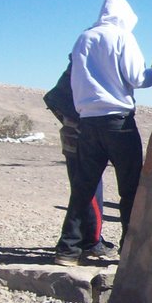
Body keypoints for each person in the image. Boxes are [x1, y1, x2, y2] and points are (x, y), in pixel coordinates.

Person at [54, 0, 152, 266]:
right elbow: (137, 77)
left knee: (83, 187)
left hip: (88, 121)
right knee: (129, 187)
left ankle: (68, 249)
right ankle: (130, 249)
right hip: (119, 122)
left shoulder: (84, 37)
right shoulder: (123, 37)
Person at [43, 57, 113, 258]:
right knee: (88, 188)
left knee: (83, 186)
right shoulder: (88, 68)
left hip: (75, 130)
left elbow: (55, 99)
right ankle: (89, 240)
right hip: (78, 133)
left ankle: (84, 239)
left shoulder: (80, 67)